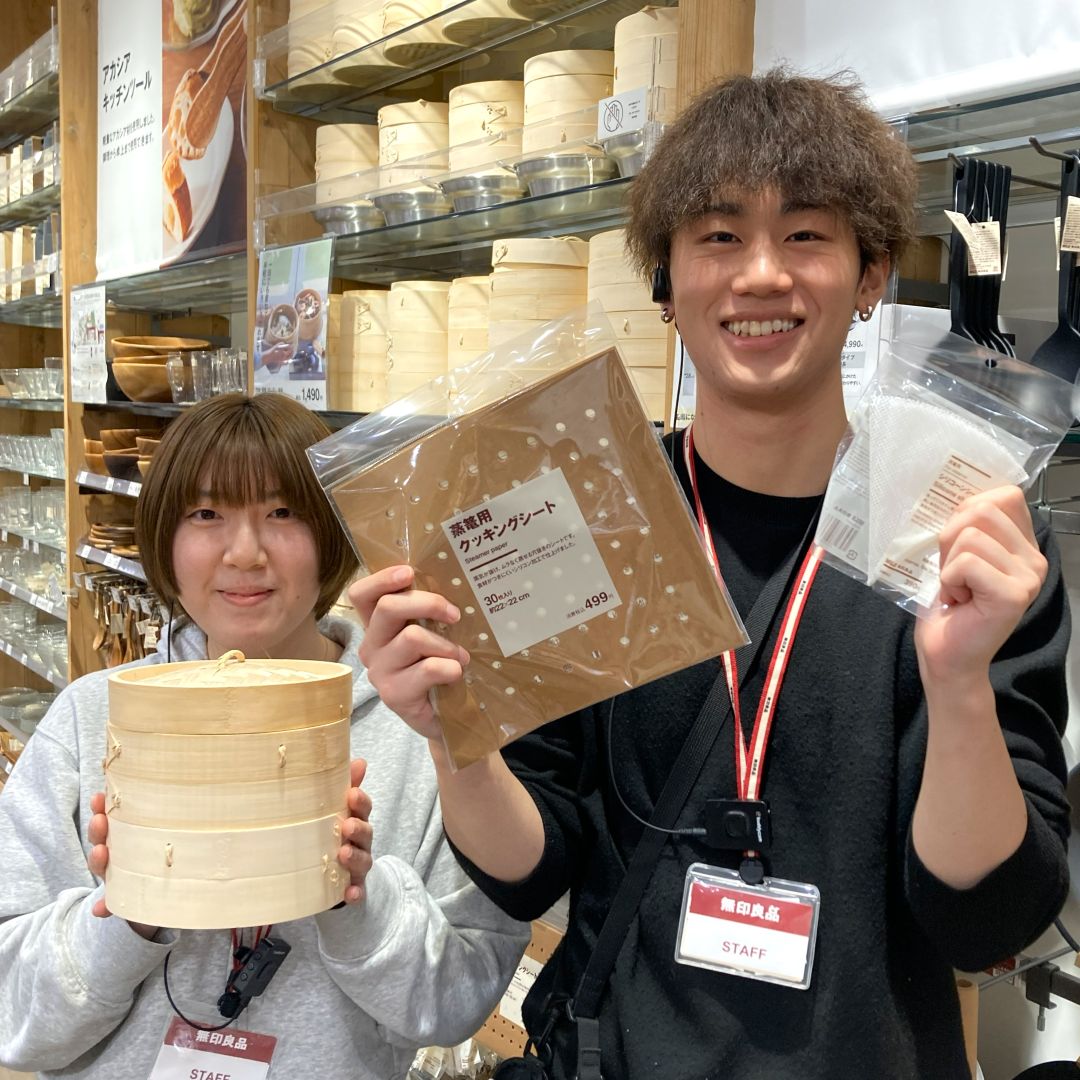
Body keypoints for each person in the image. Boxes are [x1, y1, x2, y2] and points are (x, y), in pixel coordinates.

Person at [350, 71, 1073, 1079]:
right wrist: (454, 735)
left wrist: (957, 686)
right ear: (666, 283)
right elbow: (531, 871)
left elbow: (985, 916)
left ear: (871, 277)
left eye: (808, 236)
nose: (762, 275)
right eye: (720, 236)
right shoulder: (589, 518)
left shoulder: (958, 536)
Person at [0, 393, 528, 1079]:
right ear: (165, 535)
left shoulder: (419, 727)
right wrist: (128, 909)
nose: (244, 553)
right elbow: (12, 1016)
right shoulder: (90, 718)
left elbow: (460, 996)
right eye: (206, 513)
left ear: (331, 532)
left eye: (282, 513)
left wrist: (350, 894)